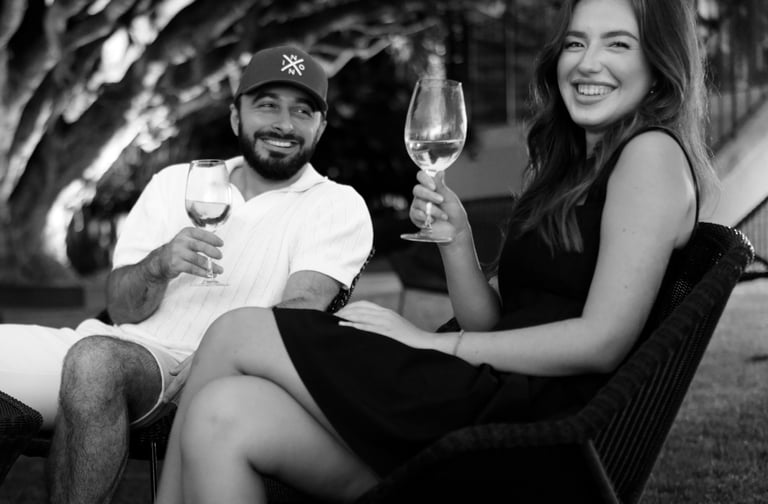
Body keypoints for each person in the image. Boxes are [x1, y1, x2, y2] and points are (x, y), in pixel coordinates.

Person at [155, 0, 719, 502]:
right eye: (576, 42)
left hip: (529, 429)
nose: (587, 62)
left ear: (660, 61)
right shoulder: (575, 167)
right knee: (219, 416)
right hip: (491, 401)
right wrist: (458, 241)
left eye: (618, 43)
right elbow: (495, 322)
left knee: (237, 332)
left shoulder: (650, 157)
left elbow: (602, 341)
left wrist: (431, 343)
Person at [0, 45, 373, 503]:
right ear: (236, 117)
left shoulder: (335, 203)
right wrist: (158, 265)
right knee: (76, 354)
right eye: (267, 105)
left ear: (321, 126)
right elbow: (120, 307)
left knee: (95, 360)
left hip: (214, 373)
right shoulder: (176, 183)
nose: (284, 124)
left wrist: (221, 347)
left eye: (303, 110)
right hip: (115, 344)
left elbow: (300, 312)